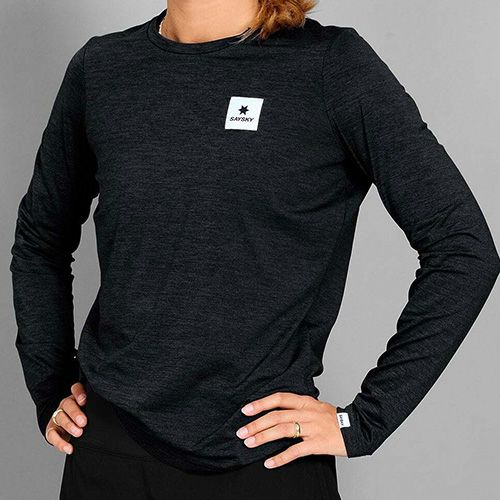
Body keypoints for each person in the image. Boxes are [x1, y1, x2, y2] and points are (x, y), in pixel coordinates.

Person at [10, 0, 499, 499]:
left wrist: (366, 420)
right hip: (109, 452)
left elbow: (463, 249)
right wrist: (50, 384)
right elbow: (40, 240)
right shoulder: (102, 68)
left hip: (263, 460)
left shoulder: (331, 66)